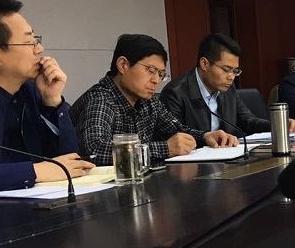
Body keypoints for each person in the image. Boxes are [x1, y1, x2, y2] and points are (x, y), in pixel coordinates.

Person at [71, 34, 235, 165]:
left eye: (161, 74)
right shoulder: (100, 100)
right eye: (150, 70)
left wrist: (205, 136)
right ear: (123, 65)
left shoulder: (148, 102)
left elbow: (176, 130)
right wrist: (165, 148)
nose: (156, 80)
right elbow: (94, 150)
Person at [0, 0, 94, 191]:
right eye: (29, 42)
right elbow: (51, 169)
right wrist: (36, 171)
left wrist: (52, 101)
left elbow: (69, 161)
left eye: (37, 40)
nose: (40, 49)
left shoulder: (31, 89)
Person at [161, 33, 295, 136]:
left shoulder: (228, 89)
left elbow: (248, 121)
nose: (231, 77)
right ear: (204, 64)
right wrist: (205, 138)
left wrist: (278, 125)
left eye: (235, 71)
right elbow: (175, 136)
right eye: (226, 70)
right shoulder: (176, 93)